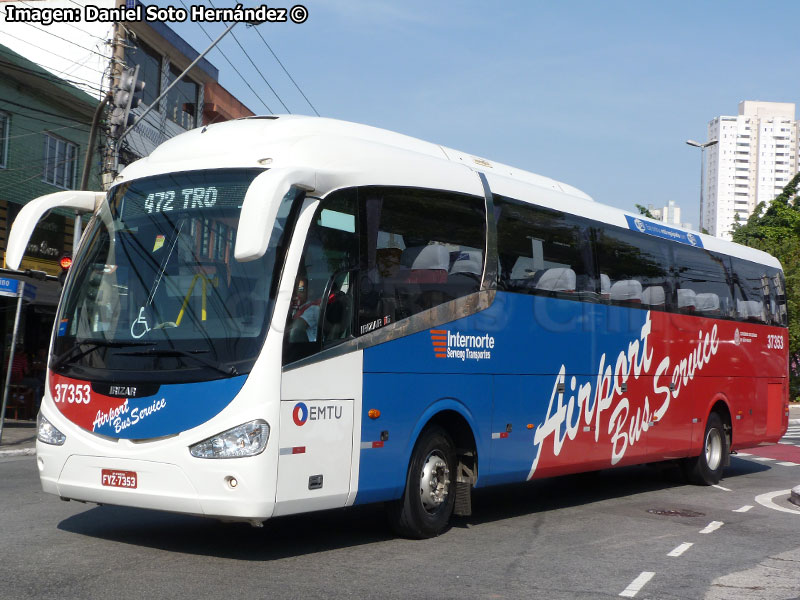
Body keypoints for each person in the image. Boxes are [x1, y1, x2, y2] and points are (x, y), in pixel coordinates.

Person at [288, 275, 320, 342]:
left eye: (300, 289)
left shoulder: (313, 308)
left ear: (309, 292)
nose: (295, 293)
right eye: (293, 289)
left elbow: (298, 326)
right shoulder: (294, 308)